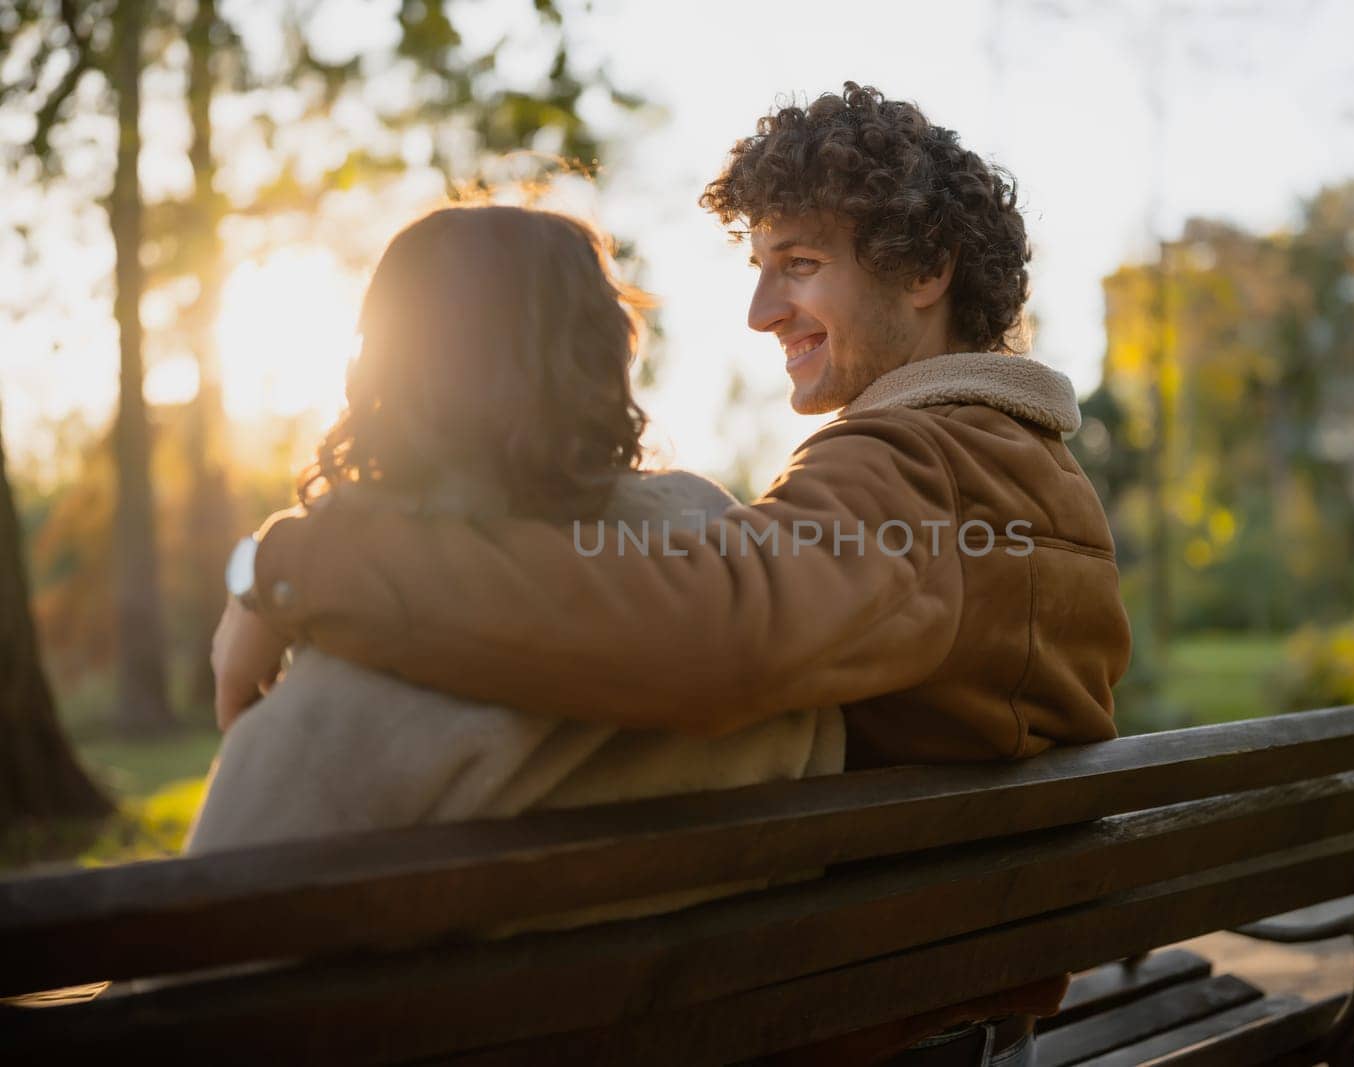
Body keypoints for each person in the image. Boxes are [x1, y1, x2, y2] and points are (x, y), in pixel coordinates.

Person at [214, 84, 1132, 1064]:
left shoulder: (915, 469)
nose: (759, 309)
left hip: (892, 1026)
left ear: (928, 272)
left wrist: (287, 563)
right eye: (759, 268)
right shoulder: (1022, 463)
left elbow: (714, 630)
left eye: (801, 265)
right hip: (962, 995)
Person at [189, 205, 843, 872]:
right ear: (602, 350)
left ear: (383, 364)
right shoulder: (715, 542)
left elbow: (208, 942)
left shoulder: (337, 696)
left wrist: (271, 567)